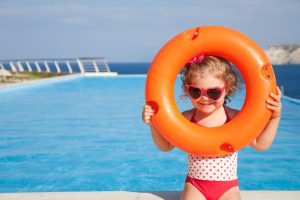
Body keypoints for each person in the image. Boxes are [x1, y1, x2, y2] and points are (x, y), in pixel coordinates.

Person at [142, 55, 282, 200]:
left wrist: (274, 118)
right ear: (187, 89)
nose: (205, 98)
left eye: (213, 92)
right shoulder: (186, 118)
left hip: (228, 187)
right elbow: (166, 146)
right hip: (196, 185)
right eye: (196, 91)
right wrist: (153, 124)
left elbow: (260, 144)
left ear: (226, 89)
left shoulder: (236, 118)